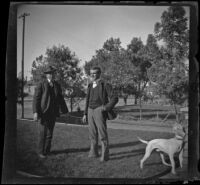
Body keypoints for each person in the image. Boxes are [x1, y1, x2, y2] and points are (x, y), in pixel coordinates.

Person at [82, 66, 118, 162]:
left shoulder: (105, 84)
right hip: (90, 110)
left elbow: (115, 98)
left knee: (102, 134)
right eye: (91, 73)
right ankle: (93, 153)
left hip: (99, 110)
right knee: (92, 134)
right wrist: (85, 113)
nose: (92, 75)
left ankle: (105, 156)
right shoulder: (90, 85)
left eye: (95, 73)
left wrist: (105, 108)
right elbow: (87, 100)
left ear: (99, 74)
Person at [33, 66, 68, 158]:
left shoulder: (56, 84)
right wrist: (36, 112)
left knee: (50, 133)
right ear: (46, 75)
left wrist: (65, 111)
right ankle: (41, 152)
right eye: (49, 73)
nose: (51, 75)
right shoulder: (41, 84)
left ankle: (47, 151)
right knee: (42, 133)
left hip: (53, 112)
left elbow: (60, 98)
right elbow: (36, 99)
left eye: (52, 73)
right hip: (43, 112)